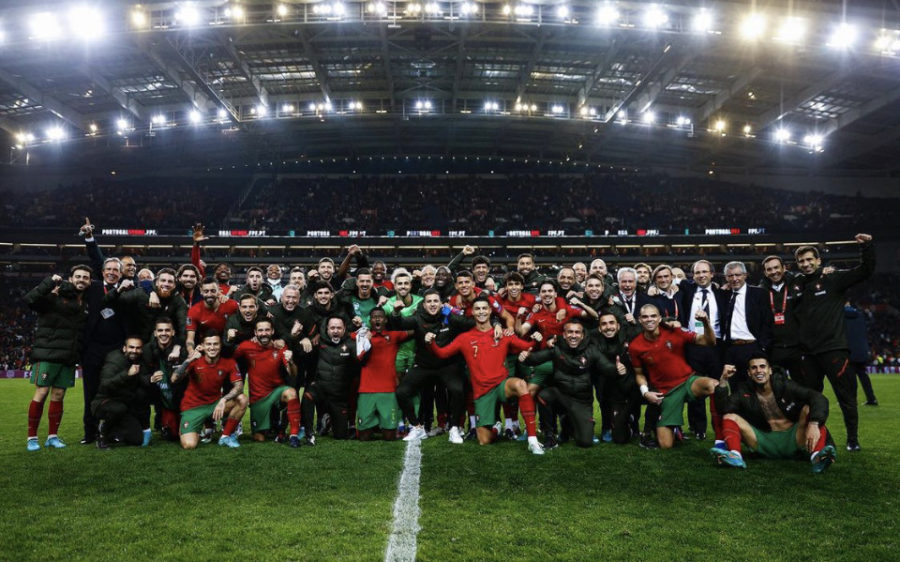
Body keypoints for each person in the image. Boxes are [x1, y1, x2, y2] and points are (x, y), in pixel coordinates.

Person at [427, 296, 545, 455]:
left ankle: (532, 440)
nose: (481, 311)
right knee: (484, 440)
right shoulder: (464, 338)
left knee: (520, 384)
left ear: (490, 311)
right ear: (473, 313)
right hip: (482, 392)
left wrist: (536, 340)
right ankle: (496, 428)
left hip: (502, 385)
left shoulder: (504, 334)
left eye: (484, 308)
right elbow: (442, 354)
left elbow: (527, 346)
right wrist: (431, 343)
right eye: (477, 309)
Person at [792, 233, 875, 451]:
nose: (806, 263)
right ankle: (816, 438)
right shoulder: (797, 283)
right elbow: (771, 280)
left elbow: (865, 270)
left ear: (819, 261)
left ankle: (852, 440)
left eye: (810, 259)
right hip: (808, 354)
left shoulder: (833, 278)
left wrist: (866, 246)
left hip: (834, 350)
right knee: (810, 399)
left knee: (846, 397)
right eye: (801, 261)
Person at [710, 355, 836, 473]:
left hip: (794, 440)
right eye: (754, 368)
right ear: (749, 373)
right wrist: (723, 380)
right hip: (763, 442)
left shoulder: (786, 385)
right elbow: (724, 409)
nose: (758, 371)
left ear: (770, 370)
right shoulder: (744, 390)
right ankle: (735, 456)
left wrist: (814, 424)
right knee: (730, 417)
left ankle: (817, 456)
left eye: (762, 366)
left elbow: (818, 398)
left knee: (809, 410)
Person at [629, 304, 719, 449]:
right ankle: (672, 428)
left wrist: (705, 322)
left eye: (653, 316)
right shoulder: (635, 346)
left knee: (715, 386)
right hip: (666, 393)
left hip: (688, 382)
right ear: (639, 320)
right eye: (645, 317)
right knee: (666, 445)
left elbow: (709, 341)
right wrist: (645, 393)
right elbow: (639, 374)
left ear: (659, 318)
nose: (649, 319)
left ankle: (721, 438)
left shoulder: (675, 331)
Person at [388, 289, 472, 444]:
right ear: (424, 305)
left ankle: (454, 428)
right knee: (402, 391)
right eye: (429, 301)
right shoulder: (418, 318)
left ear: (441, 304)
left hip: (447, 365)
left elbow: (470, 323)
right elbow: (399, 324)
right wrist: (395, 312)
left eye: (435, 301)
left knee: (458, 390)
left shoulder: (450, 317)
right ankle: (417, 427)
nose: (432, 304)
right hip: (424, 365)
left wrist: (494, 322)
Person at [519, 320, 619, 448]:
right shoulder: (556, 348)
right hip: (561, 396)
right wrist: (525, 357)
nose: (573, 335)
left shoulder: (591, 350)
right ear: (564, 335)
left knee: (585, 442)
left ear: (582, 335)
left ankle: (569, 422)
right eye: (570, 332)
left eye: (577, 332)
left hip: (581, 401)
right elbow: (535, 358)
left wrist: (617, 368)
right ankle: (550, 435)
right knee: (544, 395)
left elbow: (607, 367)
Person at [25, 266, 92, 451]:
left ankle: (52, 437)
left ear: (89, 281)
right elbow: (30, 300)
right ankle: (32, 438)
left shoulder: (86, 302)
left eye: (85, 277)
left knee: (59, 394)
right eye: (78, 276)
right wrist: (49, 282)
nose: (81, 280)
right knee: (42, 392)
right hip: (47, 353)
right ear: (70, 279)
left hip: (68, 357)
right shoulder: (57, 293)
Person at [171, 333, 248, 449]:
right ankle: (201, 427)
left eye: (215, 344)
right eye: (208, 344)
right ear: (202, 346)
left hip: (214, 405)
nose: (212, 347)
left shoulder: (228, 362)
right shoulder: (195, 361)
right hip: (193, 407)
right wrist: (189, 359)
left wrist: (223, 399)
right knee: (189, 445)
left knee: (242, 399)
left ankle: (225, 436)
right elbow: (174, 379)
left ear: (220, 346)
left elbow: (239, 386)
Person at [234, 319, 302, 447]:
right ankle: (276, 430)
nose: (264, 333)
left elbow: (293, 373)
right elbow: (230, 355)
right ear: (255, 333)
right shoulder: (246, 346)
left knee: (291, 392)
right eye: (260, 330)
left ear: (272, 331)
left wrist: (291, 361)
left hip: (276, 393)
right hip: (258, 398)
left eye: (267, 330)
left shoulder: (280, 347)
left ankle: (294, 435)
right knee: (259, 438)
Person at [301, 316, 360, 443]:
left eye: (339, 328)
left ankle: (328, 420)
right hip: (321, 388)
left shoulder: (351, 343)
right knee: (307, 396)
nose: (335, 331)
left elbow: (360, 364)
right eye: (332, 328)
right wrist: (304, 339)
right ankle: (309, 432)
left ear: (344, 329)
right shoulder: (318, 342)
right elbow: (306, 359)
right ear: (327, 329)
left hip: (339, 394)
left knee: (340, 435)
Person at [355, 309, 411, 441]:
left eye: (380, 317)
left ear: (385, 320)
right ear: (370, 320)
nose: (377, 319)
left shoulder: (394, 335)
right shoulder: (361, 336)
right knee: (363, 437)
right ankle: (373, 424)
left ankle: (385, 424)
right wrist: (355, 326)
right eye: (374, 317)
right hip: (366, 389)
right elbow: (343, 335)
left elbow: (415, 331)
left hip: (388, 390)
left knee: (389, 436)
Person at [91, 336, 152, 449]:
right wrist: (126, 374)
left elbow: (141, 379)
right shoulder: (115, 360)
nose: (134, 351)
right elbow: (105, 385)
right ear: (124, 348)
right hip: (104, 403)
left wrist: (150, 379)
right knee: (118, 408)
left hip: (124, 405)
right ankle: (102, 432)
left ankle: (113, 431)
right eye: (131, 347)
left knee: (137, 440)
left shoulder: (139, 360)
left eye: (138, 348)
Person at [719, 261, 773, 383]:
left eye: (738, 275)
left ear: (745, 275)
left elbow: (767, 322)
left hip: (753, 347)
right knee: (735, 388)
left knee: (757, 387)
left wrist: (762, 347)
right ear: (726, 278)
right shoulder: (723, 294)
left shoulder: (759, 293)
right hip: (731, 349)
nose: (734, 279)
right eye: (730, 276)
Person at [142, 317, 186, 441]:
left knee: (175, 435)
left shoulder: (180, 350)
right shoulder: (147, 350)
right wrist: (150, 378)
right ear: (155, 333)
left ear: (173, 332)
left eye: (167, 330)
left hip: (178, 394)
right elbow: (141, 375)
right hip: (155, 392)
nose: (164, 333)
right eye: (160, 330)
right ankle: (144, 427)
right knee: (139, 393)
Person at [759, 255, 804, 381]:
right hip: (774, 349)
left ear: (784, 268)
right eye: (769, 269)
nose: (774, 272)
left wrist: (825, 270)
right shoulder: (761, 292)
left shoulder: (798, 282)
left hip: (797, 347)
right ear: (765, 272)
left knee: (802, 386)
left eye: (776, 268)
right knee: (777, 388)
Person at [186, 278, 239, 354]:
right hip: (208, 347)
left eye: (213, 291)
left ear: (219, 291)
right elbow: (190, 339)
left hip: (229, 344)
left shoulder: (231, 305)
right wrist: (191, 352)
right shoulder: (194, 311)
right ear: (201, 292)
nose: (209, 294)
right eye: (206, 291)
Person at [844, 301, 878, 406]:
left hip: (849, 350)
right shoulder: (861, 314)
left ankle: (852, 400)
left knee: (850, 377)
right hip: (862, 351)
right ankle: (872, 399)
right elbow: (870, 325)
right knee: (863, 376)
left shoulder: (840, 315)